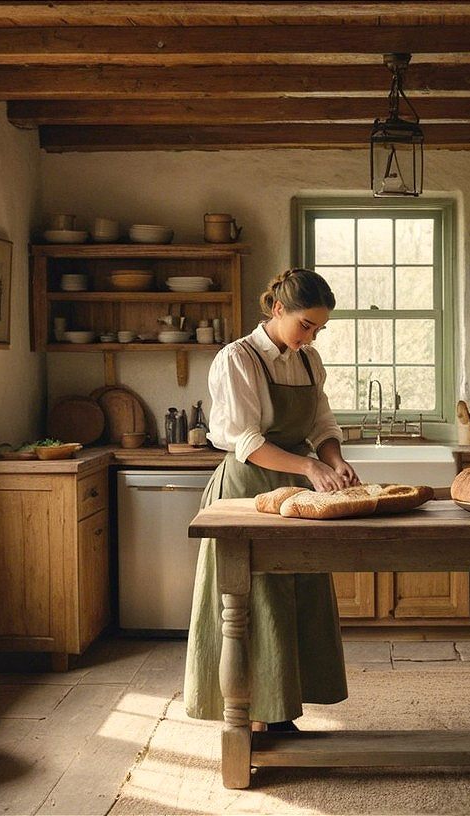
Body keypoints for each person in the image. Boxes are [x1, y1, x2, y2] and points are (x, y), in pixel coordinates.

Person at [184, 267, 358, 732]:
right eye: (306, 325)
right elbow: (244, 438)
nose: (311, 336)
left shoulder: (308, 360)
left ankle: (283, 708)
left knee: (296, 596)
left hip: (296, 492)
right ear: (278, 309)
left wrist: (333, 459)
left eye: (319, 328)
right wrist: (309, 467)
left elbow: (321, 423)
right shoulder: (237, 358)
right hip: (247, 490)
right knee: (253, 602)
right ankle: (252, 716)